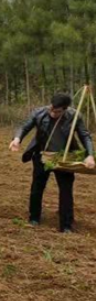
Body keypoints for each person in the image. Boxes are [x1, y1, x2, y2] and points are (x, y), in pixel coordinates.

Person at [9, 93, 95, 233]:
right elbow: (25, 126)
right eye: (52, 109)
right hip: (42, 156)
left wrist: (90, 155)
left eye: (57, 111)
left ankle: (66, 225)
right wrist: (17, 139)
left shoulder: (74, 116)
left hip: (64, 158)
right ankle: (34, 218)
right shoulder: (39, 113)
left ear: (65, 109)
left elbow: (85, 135)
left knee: (66, 190)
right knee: (37, 187)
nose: (53, 113)